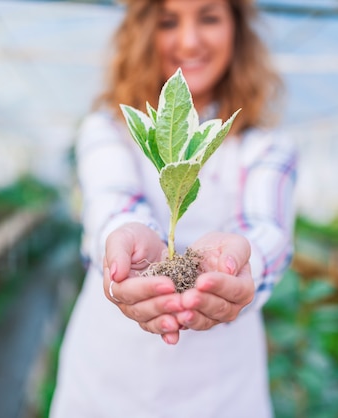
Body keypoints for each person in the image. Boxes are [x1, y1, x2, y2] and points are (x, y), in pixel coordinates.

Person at [50, 0, 297, 417]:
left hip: (223, 393)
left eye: (209, 17)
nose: (189, 40)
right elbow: (112, 202)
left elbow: (266, 228)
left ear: (237, 28)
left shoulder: (267, 146)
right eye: (168, 21)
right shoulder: (108, 128)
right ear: (144, 32)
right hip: (106, 386)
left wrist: (240, 263)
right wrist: (124, 242)